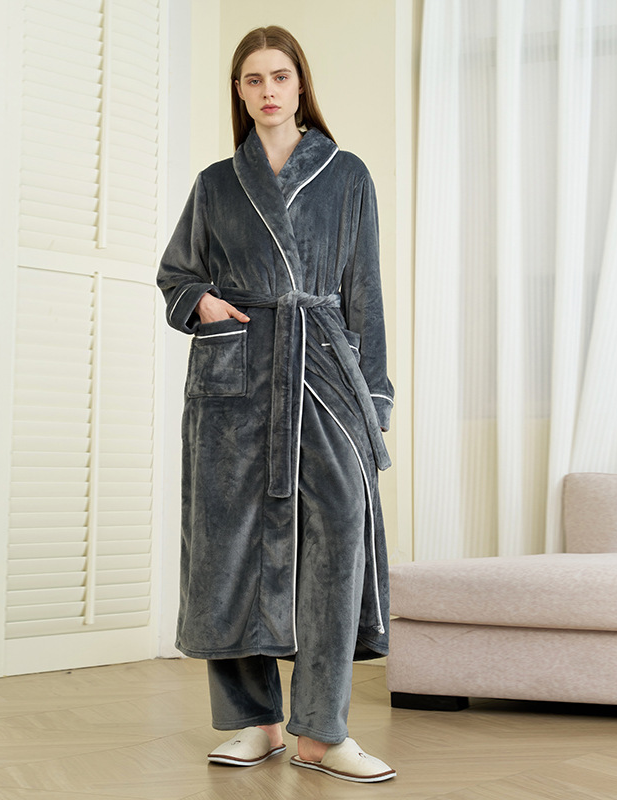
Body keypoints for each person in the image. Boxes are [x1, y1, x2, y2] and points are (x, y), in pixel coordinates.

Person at [157, 25, 396, 784]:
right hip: (236, 384)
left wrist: (375, 397)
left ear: (300, 84)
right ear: (239, 90)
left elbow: (365, 295)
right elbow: (177, 274)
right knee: (228, 547)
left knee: (335, 545)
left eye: (280, 76)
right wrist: (202, 304)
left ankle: (322, 731)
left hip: (323, 374)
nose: (268, 91)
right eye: (253, 79)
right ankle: (252, 721)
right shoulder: (215, 184)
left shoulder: (347, 174)